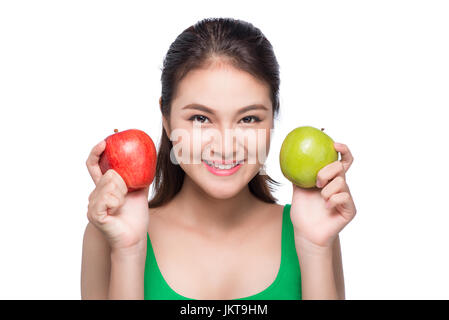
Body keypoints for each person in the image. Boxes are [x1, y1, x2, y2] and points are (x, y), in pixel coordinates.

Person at [81, 17, 357, 300]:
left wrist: (316, 249)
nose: (226, 147)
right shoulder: (109, 233)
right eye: (201, 118)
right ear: (166, 118)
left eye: (248, 119)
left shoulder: (311, 229)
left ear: (272, 118)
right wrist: (128, 251)